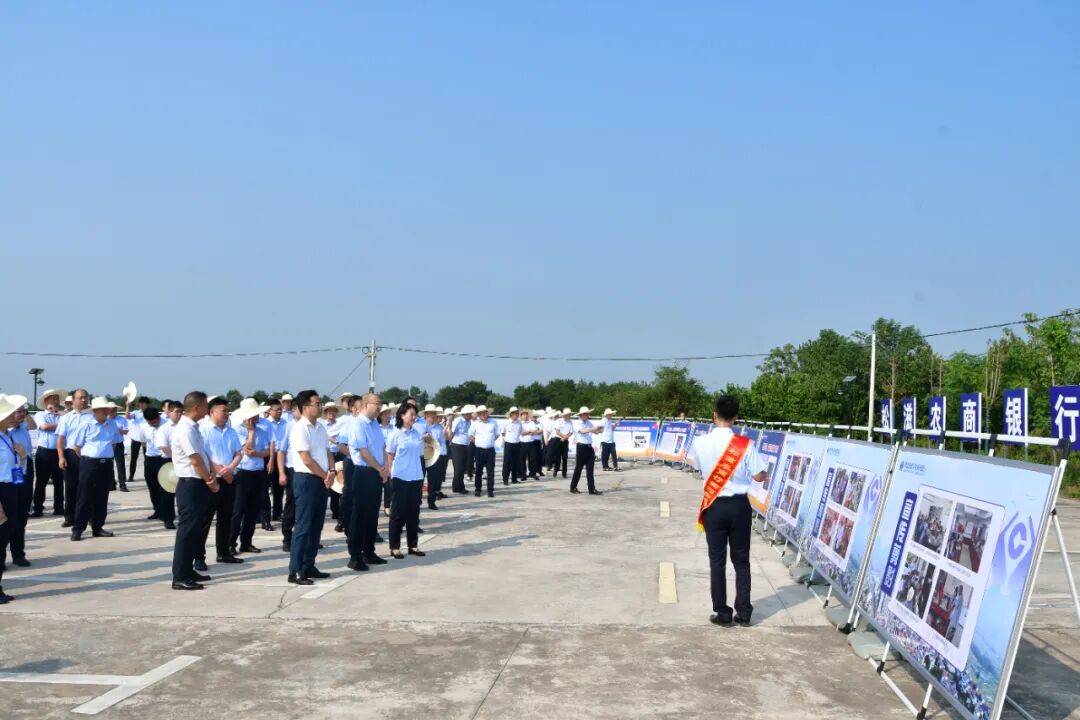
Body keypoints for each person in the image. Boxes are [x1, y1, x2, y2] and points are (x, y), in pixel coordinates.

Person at [688, 395, 768, 627]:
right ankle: (743, 613)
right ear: (736, 417)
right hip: (739, 507)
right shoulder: (744, 444)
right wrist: (764, 473)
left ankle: (722, 613)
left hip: (714, 506)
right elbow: (759, 476)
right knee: (741, 561)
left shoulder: (700, 442)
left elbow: (697, 466)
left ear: (714, 415)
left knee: (717, 560)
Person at [287, 389, 336, 585]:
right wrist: (325, 475)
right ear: (305, 407)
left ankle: (309, 565)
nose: (320, 406)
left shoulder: (320, 427)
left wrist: (332, 470)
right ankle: (295, 570)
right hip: (306, 479)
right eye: (317, 403)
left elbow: (327, 451)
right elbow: (306, 458)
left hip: (322, 479)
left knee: (316, 525)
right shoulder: (300, 428)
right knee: (303, 526)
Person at [170, 391, 217, 590]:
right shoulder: (185, 429)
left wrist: (210, 475)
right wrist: (210, 481)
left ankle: (188, 570)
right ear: (197, 407)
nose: (208, 408)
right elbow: (195, 460)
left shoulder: (194, 428)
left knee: (194, 530)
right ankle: (180, 576)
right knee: (187, 531)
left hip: (198, 483)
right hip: (190, 484)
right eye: (206, 405)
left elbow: (203, 455)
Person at [197, 396, 243, 570]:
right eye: (223, 410)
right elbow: (203, 455)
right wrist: (221, 471)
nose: (226, 413)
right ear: (212, 412)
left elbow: (238, 453)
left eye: (227, 410)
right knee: (205, 519)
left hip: (230, 479)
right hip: (211, 480)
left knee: (226, 517)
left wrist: (230, 468)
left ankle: (223, 552)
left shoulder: (231, 431)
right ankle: (198, 557)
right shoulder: (203, 430)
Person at [345, 393, 389, 571]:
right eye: (376, 403)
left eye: (380, 404)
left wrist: (385, 469)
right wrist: (380, 468)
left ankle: (369, 552)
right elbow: (363, 452)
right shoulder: (358, 424)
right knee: (360, 515)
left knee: (372, 515)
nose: (379, 407)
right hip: (363, 472)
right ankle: (355, 556)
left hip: (376, 472)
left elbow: (382, 448)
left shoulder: (375, 424)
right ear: (365, 405)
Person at [70, 397, 122, 541]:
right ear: (96, 410)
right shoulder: (86, 424)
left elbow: (114, 443)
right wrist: (90, 458)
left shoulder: (112, 424)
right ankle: (78, 529)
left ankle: (97, 527)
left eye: (107, 409)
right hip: (89, 463)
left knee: (102, 497)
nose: (107, 411)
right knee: (84, 496)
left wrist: (105, 455)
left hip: (106, 464)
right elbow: (77, 447)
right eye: (104, 409)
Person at [386, 403, 430, 559]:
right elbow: (389, 454)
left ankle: (413, 545)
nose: (414, 417)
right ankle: (395, 547)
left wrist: (428, 440)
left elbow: (425, 450)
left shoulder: (417, 433)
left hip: (416, 476)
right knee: (398, 513)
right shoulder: (395, 434)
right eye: (411, 414)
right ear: (402, 415)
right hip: (400, 476)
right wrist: (390, 472)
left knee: (413, 512)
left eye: (415, 414)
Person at [0, 394, 29, 603]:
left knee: (3, 540)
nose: (14, 416)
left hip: (12, 488)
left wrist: (23, 456)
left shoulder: (8, 436)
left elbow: (17, 468)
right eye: (9, 414)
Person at [232, 399, 271, 555]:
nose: (257, 418)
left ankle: (246, 542)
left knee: (252, 510)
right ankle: (230, 543)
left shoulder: (262, 430)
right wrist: (251, 431)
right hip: (242, 473)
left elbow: (267, 451)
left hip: (258, 472)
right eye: (254, 415)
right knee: (238, 510)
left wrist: (257, 453)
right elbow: (247, 449)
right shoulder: (237, 430)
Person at [56, 388, 91, 528]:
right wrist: (61, 457)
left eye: (85, 397)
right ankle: (69, 517)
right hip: (71, 455)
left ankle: (88, 516)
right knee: (71, 487)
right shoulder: (66, 418)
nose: (83, 400)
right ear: (73, 400)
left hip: (88, 456)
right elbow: (61, 439)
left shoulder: (92, 417)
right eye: (80, 397)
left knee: (87, 487)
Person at [7, 403, 35, 566]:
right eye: (19, 411)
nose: (23, 414)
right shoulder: (5, 432)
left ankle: (18, 554)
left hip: (24, 470)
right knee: (7, 515)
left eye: (24, 411)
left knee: (21, 513)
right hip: (9, 472)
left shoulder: (23, 427)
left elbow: (33, 425)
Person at [31, 388, 65, 517]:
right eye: (52, 399)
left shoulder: (62, 415)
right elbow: (44, 426)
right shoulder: (41, 415)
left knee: (59, 481)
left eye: (57, 399)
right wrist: (61, 426)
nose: (55, 401)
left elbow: (68, 424)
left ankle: (59, 507)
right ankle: (38, 508)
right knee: (41, 481)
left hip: (58, 451)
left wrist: (59, 415)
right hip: (44, 452)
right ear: (46, 402)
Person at [264, 397, 289, 526]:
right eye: (277, 409)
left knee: (279, 487)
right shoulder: (265, 423)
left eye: (280, 409)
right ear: (269, 410)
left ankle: (277, 513)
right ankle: (265, 516)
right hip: (268, 456)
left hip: (282, 456)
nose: (279, 411)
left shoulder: (286, 423)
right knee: (265, 488)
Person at [570, 406, 603, 495]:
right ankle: (573, 487)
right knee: (578, 469)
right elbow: (583, 431)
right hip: (581, 447)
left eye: (588, 414)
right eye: (586, 414)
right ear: (581, 415)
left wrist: (600, 430)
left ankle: (592, 489)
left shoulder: (589, 423)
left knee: (590, 469)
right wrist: (594, 429)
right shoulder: (577, 423)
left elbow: (595, 432)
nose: (588, 415)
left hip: (589, 447)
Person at [142, 407, 167, 523]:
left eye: (154, 421)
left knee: (164, 487)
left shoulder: (166, 425)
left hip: (163, 458)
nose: (152, 424)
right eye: (149, 422)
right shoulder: (143, 426)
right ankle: (157, 510)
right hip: (150, 459)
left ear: (158, 417)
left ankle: (165, 512)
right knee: (152, 487)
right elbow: (143, 442)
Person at [468, 405, 499, 497]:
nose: (482, 415)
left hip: (490, 450)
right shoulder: (475, 423)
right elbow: (470, 435)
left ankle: (490, 490)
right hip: (479, 450)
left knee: (490, 472)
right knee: (478, 471)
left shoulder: (493, 422)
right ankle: (478, 490)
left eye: (484, 413)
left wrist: (489, 440)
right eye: (480, 413)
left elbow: (497, 434)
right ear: (478, 414)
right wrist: (477, 442)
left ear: (487, 413)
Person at [424, 406, 450, 509]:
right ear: (426, 415)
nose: (434, 416)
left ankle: (431, 501)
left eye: (434, 414)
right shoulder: (420, 426)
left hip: (435, 456)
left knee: (434, 480)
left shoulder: (439, 428)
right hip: (422, 455)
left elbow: (442, 442)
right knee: (419, 479)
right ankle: (416, 501)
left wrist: (442, 455)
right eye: (431, 414)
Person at [126, 395, 151, 486]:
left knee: (147, 459)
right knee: (133, 458)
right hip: (136, 438)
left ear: (147, 404)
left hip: (147, 439)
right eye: (140, 403)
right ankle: (131, 476)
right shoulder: (136, 413)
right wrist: (128, 406)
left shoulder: (150, 413)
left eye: (143, 403)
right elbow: (127, 416)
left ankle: (148, 476)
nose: (141, 405)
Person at [449, 404, 472, 494]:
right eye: (469, 414)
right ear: (465, 414)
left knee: (462, 468)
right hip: (457, 446)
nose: (470, 415)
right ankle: (458, 487)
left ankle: (457, 487)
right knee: (459, 468)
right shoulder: (458, 421)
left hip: (465, 446)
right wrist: (450, 443)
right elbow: (452, 432)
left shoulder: (469, 422)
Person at [501, 407, 524, 485]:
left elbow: (520, 432)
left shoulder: (519, 422)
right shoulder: (506, 422)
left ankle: (514, 479)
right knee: (507, 462)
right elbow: (503, 432)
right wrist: (506, 439)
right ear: (511, 414)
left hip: (517, 443)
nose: (516, 415)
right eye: (514, 414)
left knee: (516, 462)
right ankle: (505, 479)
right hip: (509, 443)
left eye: (517, 413)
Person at [110, 406, 130, 492]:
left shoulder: (122, 419)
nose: (112, 412)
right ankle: (111, 483)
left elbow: (126, 431)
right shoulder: (106, 419)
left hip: (118, 444)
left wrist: (118, 430)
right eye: (111, 410)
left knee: (120, 465)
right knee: (109, 465)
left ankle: (122, 484)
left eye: (114, 410)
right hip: (108, 445)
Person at [521, 409, 543, 480]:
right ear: (521, 416)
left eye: (526, 414)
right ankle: (523, 474)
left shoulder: (531, 423)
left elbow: (535, 431)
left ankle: (533, 473)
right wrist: (529, 432)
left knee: (532, 459)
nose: (525, 416)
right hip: (522, 443)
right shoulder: (520, 423)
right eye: (524, 415)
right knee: (522, 459)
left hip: (531, 442)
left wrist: (527, 432)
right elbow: (521, 433)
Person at [552, 409, 574, 479]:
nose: (569, 416)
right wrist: (563, 436)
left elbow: (571, 432)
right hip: (558, 439)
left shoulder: (570, 422)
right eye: (568, 414)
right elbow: (557, 431)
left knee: (565, 457)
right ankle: (555, 470)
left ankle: (564, 473)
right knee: (557, 457)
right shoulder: (559, 421)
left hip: (565, 440)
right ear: (565, 415)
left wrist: (565, 437)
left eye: (570, 414)